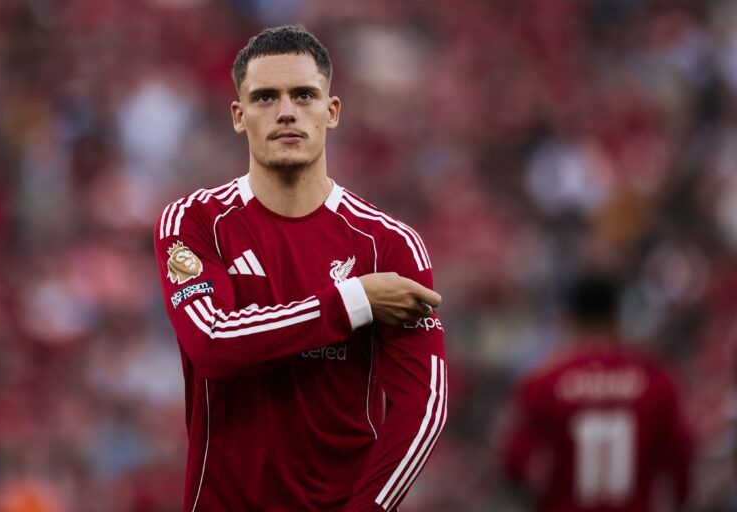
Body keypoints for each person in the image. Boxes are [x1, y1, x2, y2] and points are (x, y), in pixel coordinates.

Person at [153, 25, 447, 512]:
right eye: (265, 96)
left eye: (304, 95)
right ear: (237, 115)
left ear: (331, 112)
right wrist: (356, 300)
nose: (286, 111)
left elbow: (423, 407)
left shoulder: (391, 245)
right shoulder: (194, 221)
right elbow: (212, 344)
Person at [501, 273, 692, 512]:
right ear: (616, 318)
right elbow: (680, 461)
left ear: (571, 319)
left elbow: (516, 464)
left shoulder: (545, 384)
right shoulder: (655, 382)